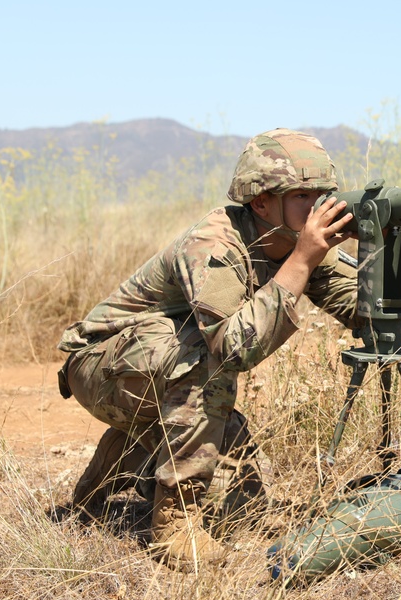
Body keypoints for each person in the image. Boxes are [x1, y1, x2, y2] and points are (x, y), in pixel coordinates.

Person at [56, 129, 358, 571]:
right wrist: (302, 262)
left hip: (152, 367)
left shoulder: (298, 240)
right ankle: (173, 521)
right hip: (99, 369)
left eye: (324, 194)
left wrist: (378, 247)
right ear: (261, 202)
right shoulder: (214, 244)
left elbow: (367, 315)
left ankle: (124, 458)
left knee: (243, 505)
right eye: (302, 195)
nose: (319, 206)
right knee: (204, 358)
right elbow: (234, 350)